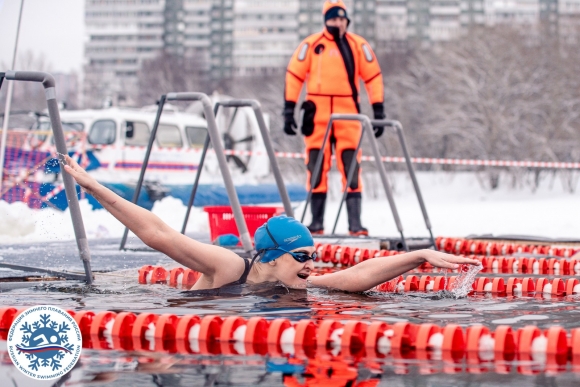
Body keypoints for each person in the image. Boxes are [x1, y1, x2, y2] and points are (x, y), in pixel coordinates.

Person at [64, 155, 479, 291]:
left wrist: (419, 255)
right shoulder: (231, 268)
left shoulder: (291, 279)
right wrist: (92, 185)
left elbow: (356, 277)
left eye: (313, 257)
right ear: (274, 255)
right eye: (303, 256)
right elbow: (159, 234)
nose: (312, 265)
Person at [283, 0, 386, 236]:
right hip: (316, 113)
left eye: (341, 19)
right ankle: (316, 223)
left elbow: (373, 77)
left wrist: (378, 109)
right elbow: (294, 76)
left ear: (346, 20)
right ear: (325, 20)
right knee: (316, 167)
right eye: (333, 19)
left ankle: (355, 224)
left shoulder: (358, 45)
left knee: (351, 167)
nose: (338, 23)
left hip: (348, 114)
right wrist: (289, 109)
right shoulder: (311, 45)